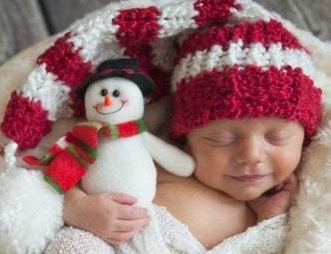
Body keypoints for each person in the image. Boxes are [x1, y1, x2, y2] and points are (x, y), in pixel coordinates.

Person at [45, 17, 321, 253]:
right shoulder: (153, 162)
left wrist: (271, 219)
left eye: (276, 137)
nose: (251, 155)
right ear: (185, 137)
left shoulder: (282, 215)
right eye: (222, 138)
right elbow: (66, 172)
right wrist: (78, 208)